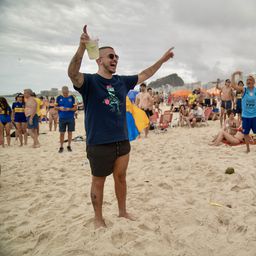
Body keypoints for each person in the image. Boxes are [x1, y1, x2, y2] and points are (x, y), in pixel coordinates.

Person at [68, 26, 174, 228]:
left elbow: (145, 74)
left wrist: (162, 60)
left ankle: (122, 211)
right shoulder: (89, 82)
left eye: (116, 56)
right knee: (98, 182)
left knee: (121, 178)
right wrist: (81, 48)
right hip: (98, 142)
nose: (115, 59)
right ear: (99, 60)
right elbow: (73, 73)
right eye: (110, 56)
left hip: (122, 140)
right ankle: (98, 218)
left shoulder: (121, 82)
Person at [231, 71, 256, 153]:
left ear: (253, 82)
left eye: (250, 80)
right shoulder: (244, 90)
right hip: (245, 116)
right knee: (246, 133)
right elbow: (234, 86)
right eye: (247, 80)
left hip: (254, 116)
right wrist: (233, 75)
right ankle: (248, 149)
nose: (248, 81)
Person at [55, 86, 77, 153]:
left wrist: (69, 109)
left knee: (70, 132)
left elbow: (75, 108)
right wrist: (59, 108)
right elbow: (55, 107)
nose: (65, 94)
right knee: (62, 133)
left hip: (70, 118)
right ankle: (61, 146)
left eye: (66, 93)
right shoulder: (58, 97)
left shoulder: (72, 97)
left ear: (68, 91)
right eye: (64, 93)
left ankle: (69, 145)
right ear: (62, 92)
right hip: (62, 118)